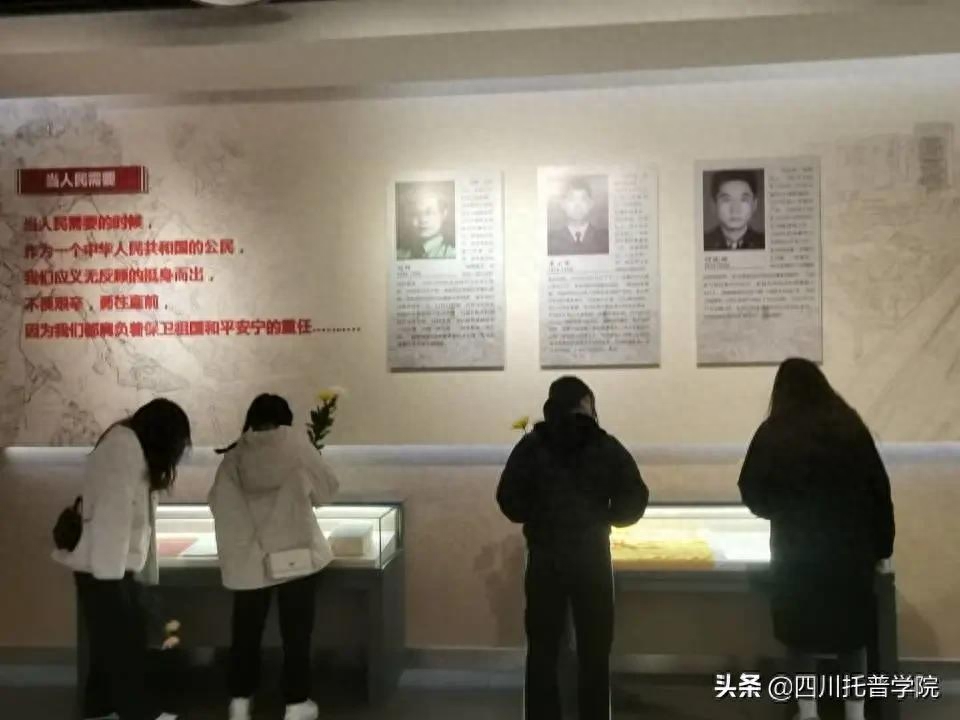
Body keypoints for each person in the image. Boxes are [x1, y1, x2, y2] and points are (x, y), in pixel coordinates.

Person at [738, 358, 895, 720]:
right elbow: (879, 490)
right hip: (850, 551)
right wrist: (882, 546)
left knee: (800, 637)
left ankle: (807, 712)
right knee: (853, 638)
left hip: (797, 551)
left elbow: (751, 489)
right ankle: (855, 713)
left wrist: (778, 510)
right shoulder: (850, 426)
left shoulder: (775, 431)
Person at [496, 377, 649, 720]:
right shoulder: (605, 445)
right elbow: (635, 499)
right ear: (586, 404)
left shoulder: (531, 446)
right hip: (591, 556)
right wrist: (606, 517)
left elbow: (508, 500)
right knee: (595, 649)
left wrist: (538, 515)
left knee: (543, 649)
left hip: (545, 557)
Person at [53, 398, 192, 720]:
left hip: (105, 565)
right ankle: (138, 712)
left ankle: (99, 710)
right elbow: (113, 516)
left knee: (108, 646)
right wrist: (112, 578)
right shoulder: (124, 450)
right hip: (107, 567)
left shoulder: (124, 445)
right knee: (123, 647)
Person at [209, 394, 340, 720]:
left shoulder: (235, 456)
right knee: (296, 633)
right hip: (295, 554)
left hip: (248, 558)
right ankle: (296, 703)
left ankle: (240, 702)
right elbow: (327, 491)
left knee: (245, 632)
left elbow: (217, 503)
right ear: (286, 419)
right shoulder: (298, 448)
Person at [703, 169, 766, 251]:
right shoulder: (703, 243)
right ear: (714, 205)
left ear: (754, 204)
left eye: (744, 200)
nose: (735, 210)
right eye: (726, 200)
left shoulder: (764, 242)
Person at [547, 178, 610, 256]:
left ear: (591, 204)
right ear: (562, 204)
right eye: (571, 199)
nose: (577, 206)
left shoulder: (606, 239)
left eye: (583, 199)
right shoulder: (550, 240)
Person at [396, 185, 456, 259]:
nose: (423, 219)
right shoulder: (399, 254)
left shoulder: (452, 253)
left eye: (429, 212)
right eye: (414, 213)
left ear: (443, 214)